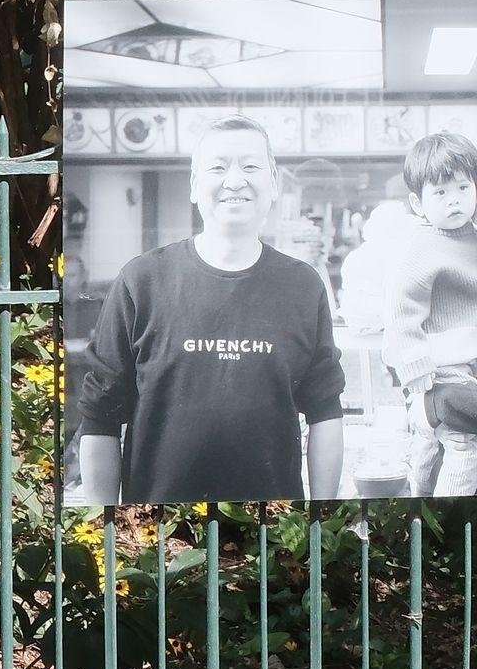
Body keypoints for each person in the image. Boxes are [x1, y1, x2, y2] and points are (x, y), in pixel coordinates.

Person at [67, 115, 346, 508]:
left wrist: (320, 517)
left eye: (250, 166)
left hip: (276, 535)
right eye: (218, 167)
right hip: (157, 538)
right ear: (195, 186)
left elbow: (325, 413)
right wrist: (106, 528)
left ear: (275, 183)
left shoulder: (303, 286)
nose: (235, 180)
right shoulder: (141, 281)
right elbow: (100, 418)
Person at [384, 129, 477, 500]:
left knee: (432, 441)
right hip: (440, 364)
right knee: (462, 440)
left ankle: (419, 492)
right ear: (418, 203)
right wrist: (415, 363)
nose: (453, 201)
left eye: (462, 188)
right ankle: (446, 517)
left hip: (471, 357)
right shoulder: (421, 247)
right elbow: (400, 309)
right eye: (440, 192)